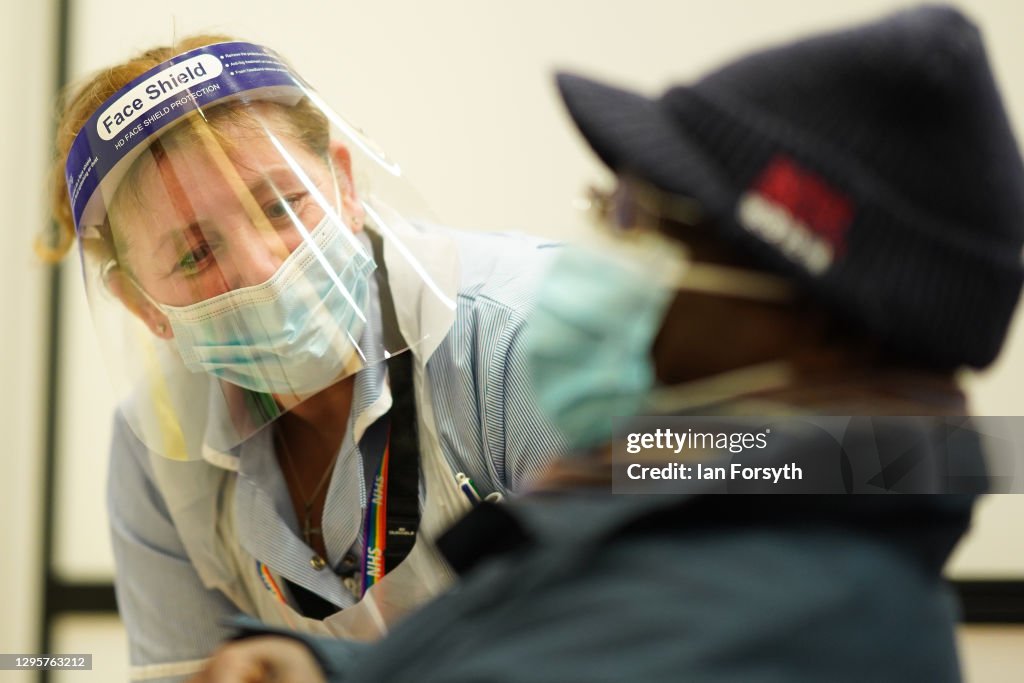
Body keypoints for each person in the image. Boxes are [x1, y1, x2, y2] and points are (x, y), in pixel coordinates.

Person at [187, 5, 1024, 682]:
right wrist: (321, 665)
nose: (596, 252)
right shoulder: (693, 509)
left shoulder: (780, 614)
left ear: (811, 320)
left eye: (640, 221)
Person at [45, 34, 564, 682]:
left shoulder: (527, 338)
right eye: (194, 254)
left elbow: (645, 640)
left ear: (345, 183)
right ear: (137, 302)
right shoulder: (159, 452)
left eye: (282, 205)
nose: (263, 268)